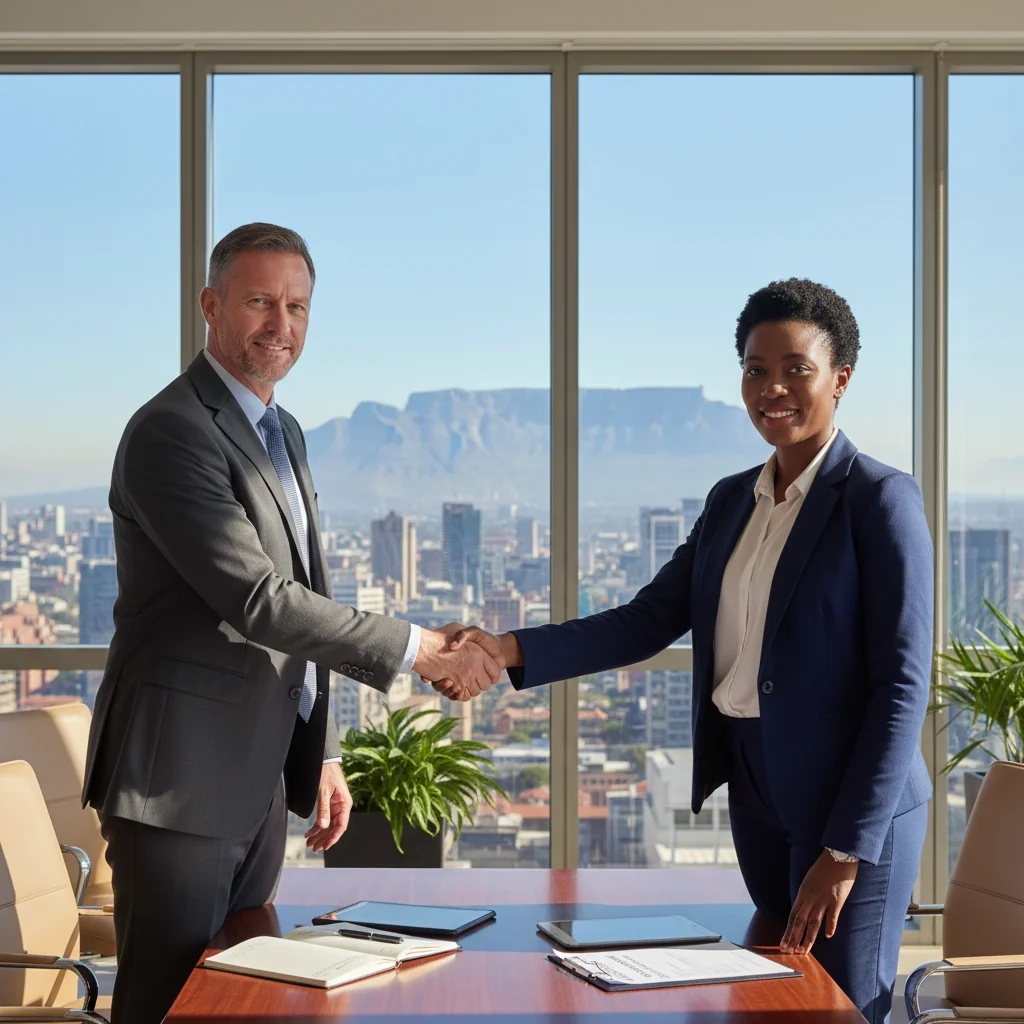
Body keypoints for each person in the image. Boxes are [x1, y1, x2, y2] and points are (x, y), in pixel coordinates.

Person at [431, 278, 933, 1024]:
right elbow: (646, 620)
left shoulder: (879, 499)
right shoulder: (731, 499)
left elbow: (901, 686)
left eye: (797, 368)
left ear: (840, 379)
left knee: (842, 1008)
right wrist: (505, 649)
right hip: (757, 794)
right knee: (773, 996)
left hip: (851, 805)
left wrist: (847, 849)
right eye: (756, 370)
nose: (774, 389)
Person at [81, 222, 499, 1024]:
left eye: (298, 307)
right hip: (178, 786)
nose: (281, 325)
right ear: (211, 306)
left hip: (257, 780)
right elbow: (258, 599)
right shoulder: (173, 430)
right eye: (260, 303)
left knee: (240, 1000)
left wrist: (322, 752)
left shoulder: (282, 429)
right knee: (169, 1005)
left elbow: (305, 588)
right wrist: (420, 648)